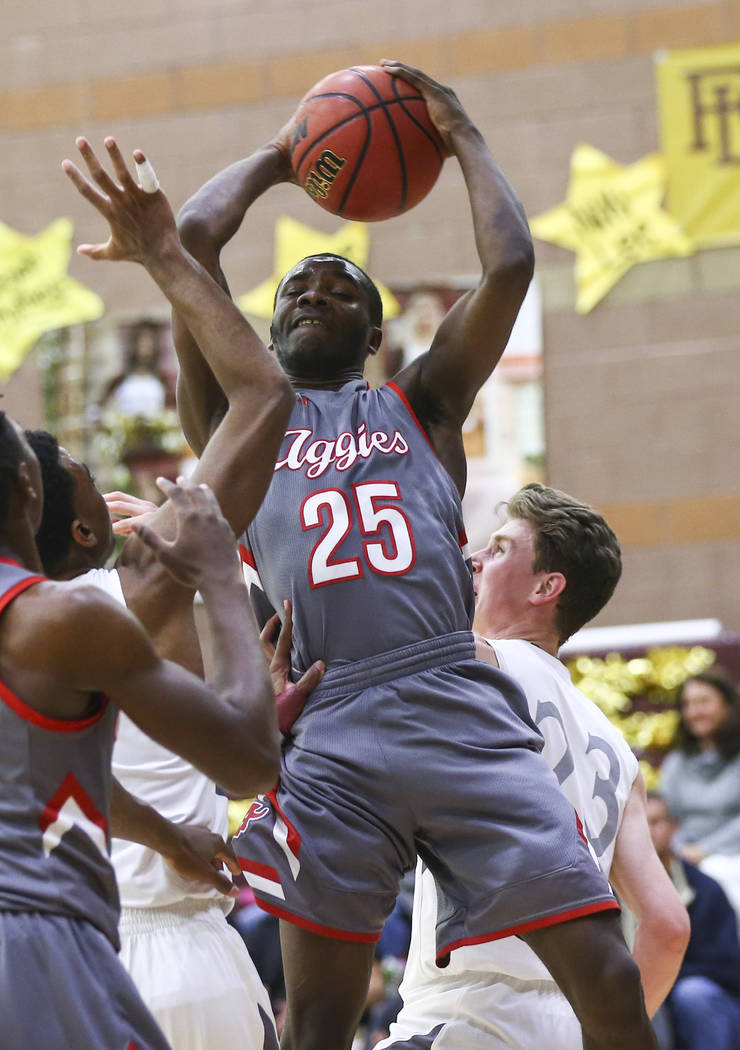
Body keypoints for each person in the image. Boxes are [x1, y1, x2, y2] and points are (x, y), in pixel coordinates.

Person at [172, 58, 659, 1050]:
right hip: (328, 714)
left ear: (373, 333)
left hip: (446, 697)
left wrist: (458, 133)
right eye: (296, 289)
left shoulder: (421, 403)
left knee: (604, 971)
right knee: (315, 1017)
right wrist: (287, 150)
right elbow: (187, 240)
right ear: (261, 330)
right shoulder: (238, 419)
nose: (312, 293)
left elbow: (512, 266)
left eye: (338, 289)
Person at [0, 138, 284, 1050]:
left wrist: (165, 833)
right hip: (20, 959)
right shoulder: (69, 614)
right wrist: (218, 576)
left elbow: (46, 786)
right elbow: (251, 760)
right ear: (25, 485)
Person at [379, 483, 690, 1050]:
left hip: (467, 1012)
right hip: (567, 1019)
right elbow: (667, 928)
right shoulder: (616, 748)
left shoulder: (483, 666)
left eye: (497, 550)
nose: (474, 559)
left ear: (547, 587)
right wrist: (604, 1026)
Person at [646, 793, 740, 1050]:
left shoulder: (705, 888)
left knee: (693, 995)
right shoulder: (613, 889)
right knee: (636, 998)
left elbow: (730, 968)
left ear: (673, 826)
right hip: (648, 991)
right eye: (640, 824)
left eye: (655, 822)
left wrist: (664, 979)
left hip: (709, 999)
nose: (647, 832)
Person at [659, 666, 740, 923]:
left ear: (727, 706)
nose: (694, 712)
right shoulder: (675, 762)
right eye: (688, 704)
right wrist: (682, 849)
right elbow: (666, 817)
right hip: (685, 857)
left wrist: (706, 850)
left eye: (703, 702)